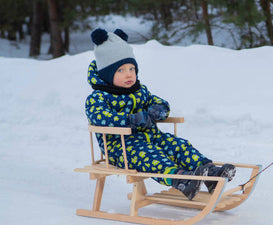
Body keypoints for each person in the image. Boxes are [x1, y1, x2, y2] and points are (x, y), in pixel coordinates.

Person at [85, 28, 235, 200]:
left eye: (131, 68)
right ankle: (180, 179)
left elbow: (159, 102)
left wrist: (159, 109)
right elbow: (101, 119)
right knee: (149, 155)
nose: (128, 74)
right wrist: (131, 120)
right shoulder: (98, 98)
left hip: (152, 137)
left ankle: (210, 173)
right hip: (122, 147)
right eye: (120, 70)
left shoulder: (140, 91)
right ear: (107, 75)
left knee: (178, 145)